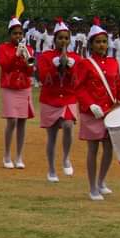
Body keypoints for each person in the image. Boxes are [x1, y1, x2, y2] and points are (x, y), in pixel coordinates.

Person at [75, 18, 120, 201]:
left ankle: (101, 181)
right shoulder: (85, 63)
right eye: (98, 42)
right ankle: (92, 187)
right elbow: (78, 88)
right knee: (93, 149)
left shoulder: (113, 62)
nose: (101, 45)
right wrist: (90, 104)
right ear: (91, 44)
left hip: (110, 112)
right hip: (92, 113)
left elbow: (118, 89)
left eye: (104, 41)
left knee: (109, 147)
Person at [37, 18, 81, 182]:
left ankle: (66, 157)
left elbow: (77, 81)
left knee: (68, 125)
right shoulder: (45, 56)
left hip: (68, 98)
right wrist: (55, 66)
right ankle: (51, 169)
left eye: (66, 38)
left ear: (69, 40)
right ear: (54, 39)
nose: (63, 41)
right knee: (52, 136)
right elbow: (43, 78)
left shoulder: (76, 57)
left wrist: (70, 67)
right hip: (50, 99)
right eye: (60, 38)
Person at [0, 16, 35, 169]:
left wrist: (26, 60)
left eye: (20, 33)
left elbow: (30, 71)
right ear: (10, 34)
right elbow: (5, 67)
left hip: (24, 87)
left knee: (22, 121)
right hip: (9, 86)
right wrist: (15, 56)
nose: (18, 36)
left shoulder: (29, 49)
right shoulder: (3, 48)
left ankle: (19, 156)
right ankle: (7, 155)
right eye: (15, 33)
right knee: (12, 120)